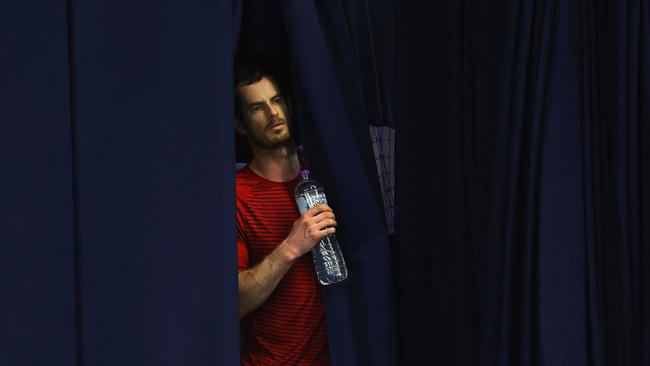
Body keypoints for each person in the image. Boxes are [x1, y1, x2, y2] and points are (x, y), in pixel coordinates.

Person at [235, 65, 336, 365]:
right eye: (257, 107)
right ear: (240, 124)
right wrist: (291, 247)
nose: (272, 113)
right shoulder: (236, 195)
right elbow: (234, 301)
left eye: (276, 100)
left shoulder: (329, 173)